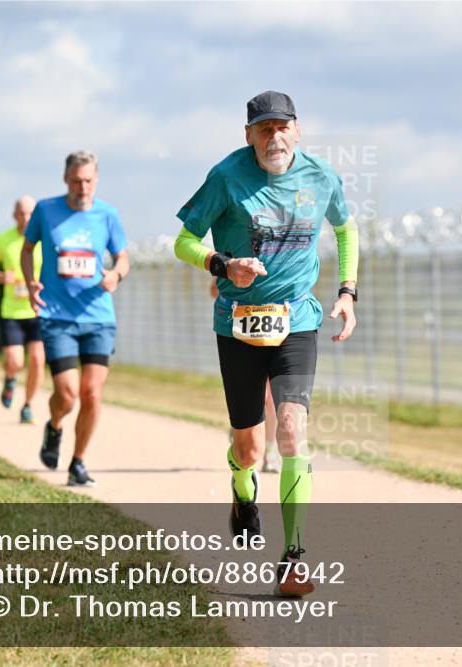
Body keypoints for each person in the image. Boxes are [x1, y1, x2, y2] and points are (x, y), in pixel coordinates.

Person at [174, 91, 358, 597]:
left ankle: (294, 555)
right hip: (237, 322)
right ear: (248, 134)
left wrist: (347, 292)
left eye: (282, 127)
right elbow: (184, 240)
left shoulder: (321, 177)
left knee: (293, 430)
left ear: (297, 130)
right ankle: (241, 489)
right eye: (263, 129)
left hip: (297, 318)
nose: (273, 137)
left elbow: (345, 230)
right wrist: (220, 264)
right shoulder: (226, 176)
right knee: (248, 445)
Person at [22, 151, 129, 487]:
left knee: (92, 394)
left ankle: (78, 463)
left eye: (87, 180)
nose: (82, 187)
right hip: (57, 316)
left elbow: (122, 258)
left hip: (98, 316)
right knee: (67, 394)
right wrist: (30, 282)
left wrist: (116, 275)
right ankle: (54, 426)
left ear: (95, 179)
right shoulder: (45, 210)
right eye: (75, 180)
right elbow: (27, 250)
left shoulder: (107, 214)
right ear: (65, 180)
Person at [211, 277, 281, 473]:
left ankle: (270, 451)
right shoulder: (238, 254)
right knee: (256, 395)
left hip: (275, 328)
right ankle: (244, 429)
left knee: (272, 396)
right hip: (244, 333)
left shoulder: (284, 260)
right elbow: (215, 291)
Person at [0, 196, 45, 424]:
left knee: (38, 361)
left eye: (31, 213)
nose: (26, 217)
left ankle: (28, 406)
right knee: (15, 362)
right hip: (11, 311)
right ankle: (10, 378)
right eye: (22, 213)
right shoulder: (3, 240)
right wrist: (1, 276)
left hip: (38, 310)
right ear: (14, 215)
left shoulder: (43, 240)